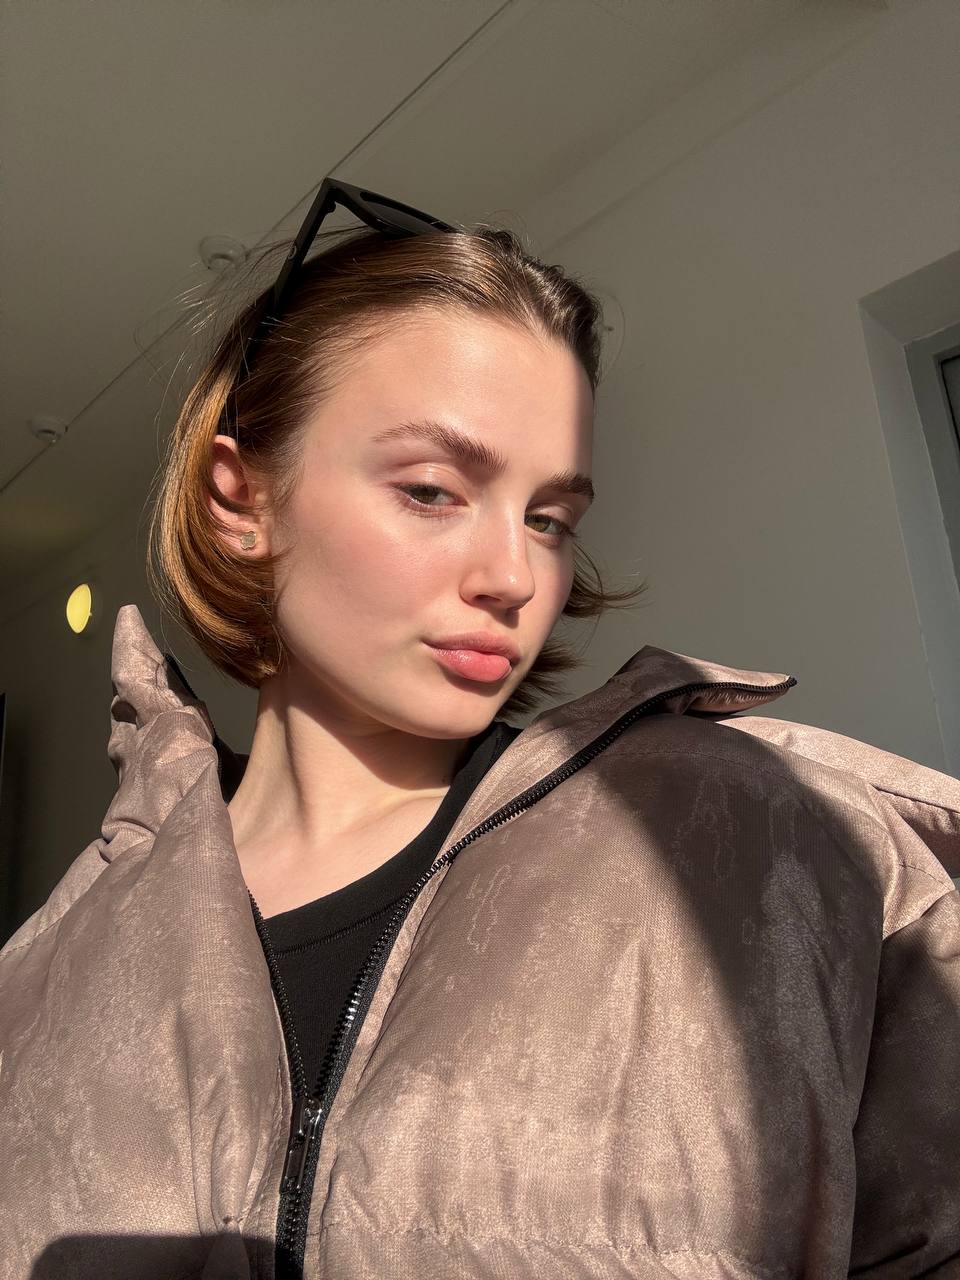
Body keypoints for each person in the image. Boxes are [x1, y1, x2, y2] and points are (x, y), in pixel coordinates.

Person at [1, 179, 958, 1280]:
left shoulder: (771, 842)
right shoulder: (44, 972)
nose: (515, 576)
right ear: (241, 500)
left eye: (549, 518)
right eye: (431, 490)